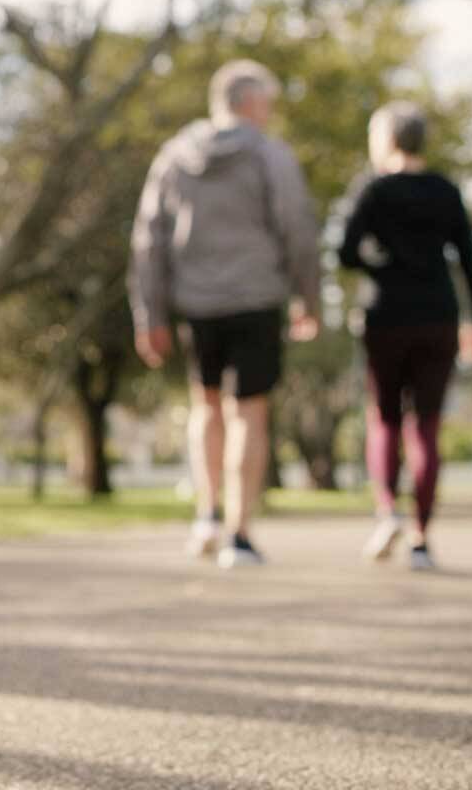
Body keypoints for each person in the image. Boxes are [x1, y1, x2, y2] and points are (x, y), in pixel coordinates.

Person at [129, 59, 321, 568]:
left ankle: (206, 517)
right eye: (267, 104)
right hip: (256, 298)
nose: (270, 113)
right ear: (249, 103)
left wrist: (149, 313)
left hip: (196, 304)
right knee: (248, 413)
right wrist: (309, 298)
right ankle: (238, 534)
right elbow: (298, 229)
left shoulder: (174, 156)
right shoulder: (269, 154)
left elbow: (149, 238)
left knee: (205, 407)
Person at [338, 101, 472, 571]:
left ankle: (388, 512)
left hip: (385, 315)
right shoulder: (446, 191)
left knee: (384, 419)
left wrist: (382, 266)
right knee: (426, 427)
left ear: (385, 141)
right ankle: (421, 537)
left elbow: (344, 251)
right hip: (438, 315)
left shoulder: (374, 189)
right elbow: (467, 260)